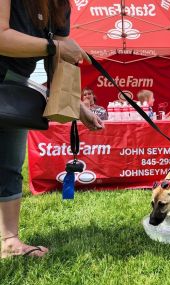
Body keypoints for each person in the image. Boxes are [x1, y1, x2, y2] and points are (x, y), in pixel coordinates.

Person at [0, 0, 104, 258]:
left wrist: (78, 107)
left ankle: (10, 242)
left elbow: (58, 61)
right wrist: (54, 45)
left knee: (10, 166)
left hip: (13, 90)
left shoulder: (59, 6)